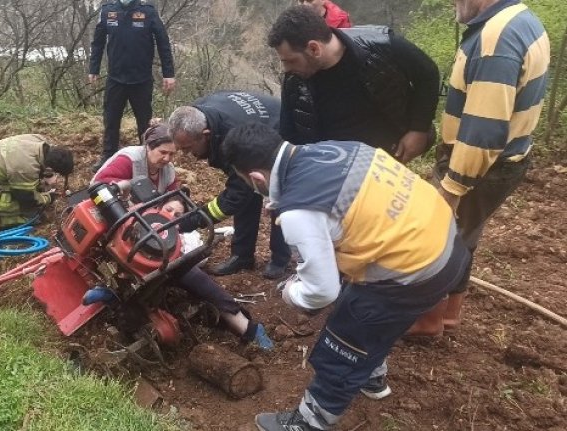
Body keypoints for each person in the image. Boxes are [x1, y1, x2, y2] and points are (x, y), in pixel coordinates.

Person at [222, 123, 471, 431]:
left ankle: (310, 422)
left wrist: (290, 292)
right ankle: (372, 377)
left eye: (248, 182)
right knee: (375, 320)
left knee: (346, 336)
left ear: (257, 177)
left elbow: (322, 291)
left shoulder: (300, 210)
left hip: (414, 270)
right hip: (449, 245)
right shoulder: (336, 148)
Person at [407, 0, 550, 336]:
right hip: (506, 160)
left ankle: (428, 321)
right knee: (465, 235)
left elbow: (483, 130)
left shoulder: (497, 39)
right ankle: (450, 314)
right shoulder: (523, 19)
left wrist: (452, 187)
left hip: (478, 165)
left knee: (439, 237)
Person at [89, 123, 274, 350]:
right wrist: (126, 194)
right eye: (162, 152)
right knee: (153, 264)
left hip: (150, 233)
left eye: (172, 153)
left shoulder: (166, 170)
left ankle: (243, 324)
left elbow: (175, 195)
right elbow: (97, 189)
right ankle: (108, 290)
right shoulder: (128, 160)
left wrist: (175, 204)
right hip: (112, 227)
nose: (167, 158)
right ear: (148, 146)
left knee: (182, 267)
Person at [270, 6, 439, 163]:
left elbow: (427, 74)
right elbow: (288, 132)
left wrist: (418, 129)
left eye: (291, 61)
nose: (286, 69)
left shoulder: (380, 47)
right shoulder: (295, 78)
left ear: (314, 49)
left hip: (388, 161)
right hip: (333, 171)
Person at [168, 91, 292, 279]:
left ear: (206, 135)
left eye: (187, 148)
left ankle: (280, 259)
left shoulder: (232, 137)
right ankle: (242, 256)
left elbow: (236, 196)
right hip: (251, 124)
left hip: (284, 128)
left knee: (279, 194)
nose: (185, 154)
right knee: (246, 187)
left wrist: (194, 220)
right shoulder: (197, 112)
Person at [88, 0, 176, 173]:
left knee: (144, 122)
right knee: (111, 119)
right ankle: (108, 155)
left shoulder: (147, 11)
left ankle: (147, 155)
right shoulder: (108, 10)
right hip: (115, 78)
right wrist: (94, 69)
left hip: (141, 79)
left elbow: (163, 43)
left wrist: (169, 73)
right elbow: (97, 42)